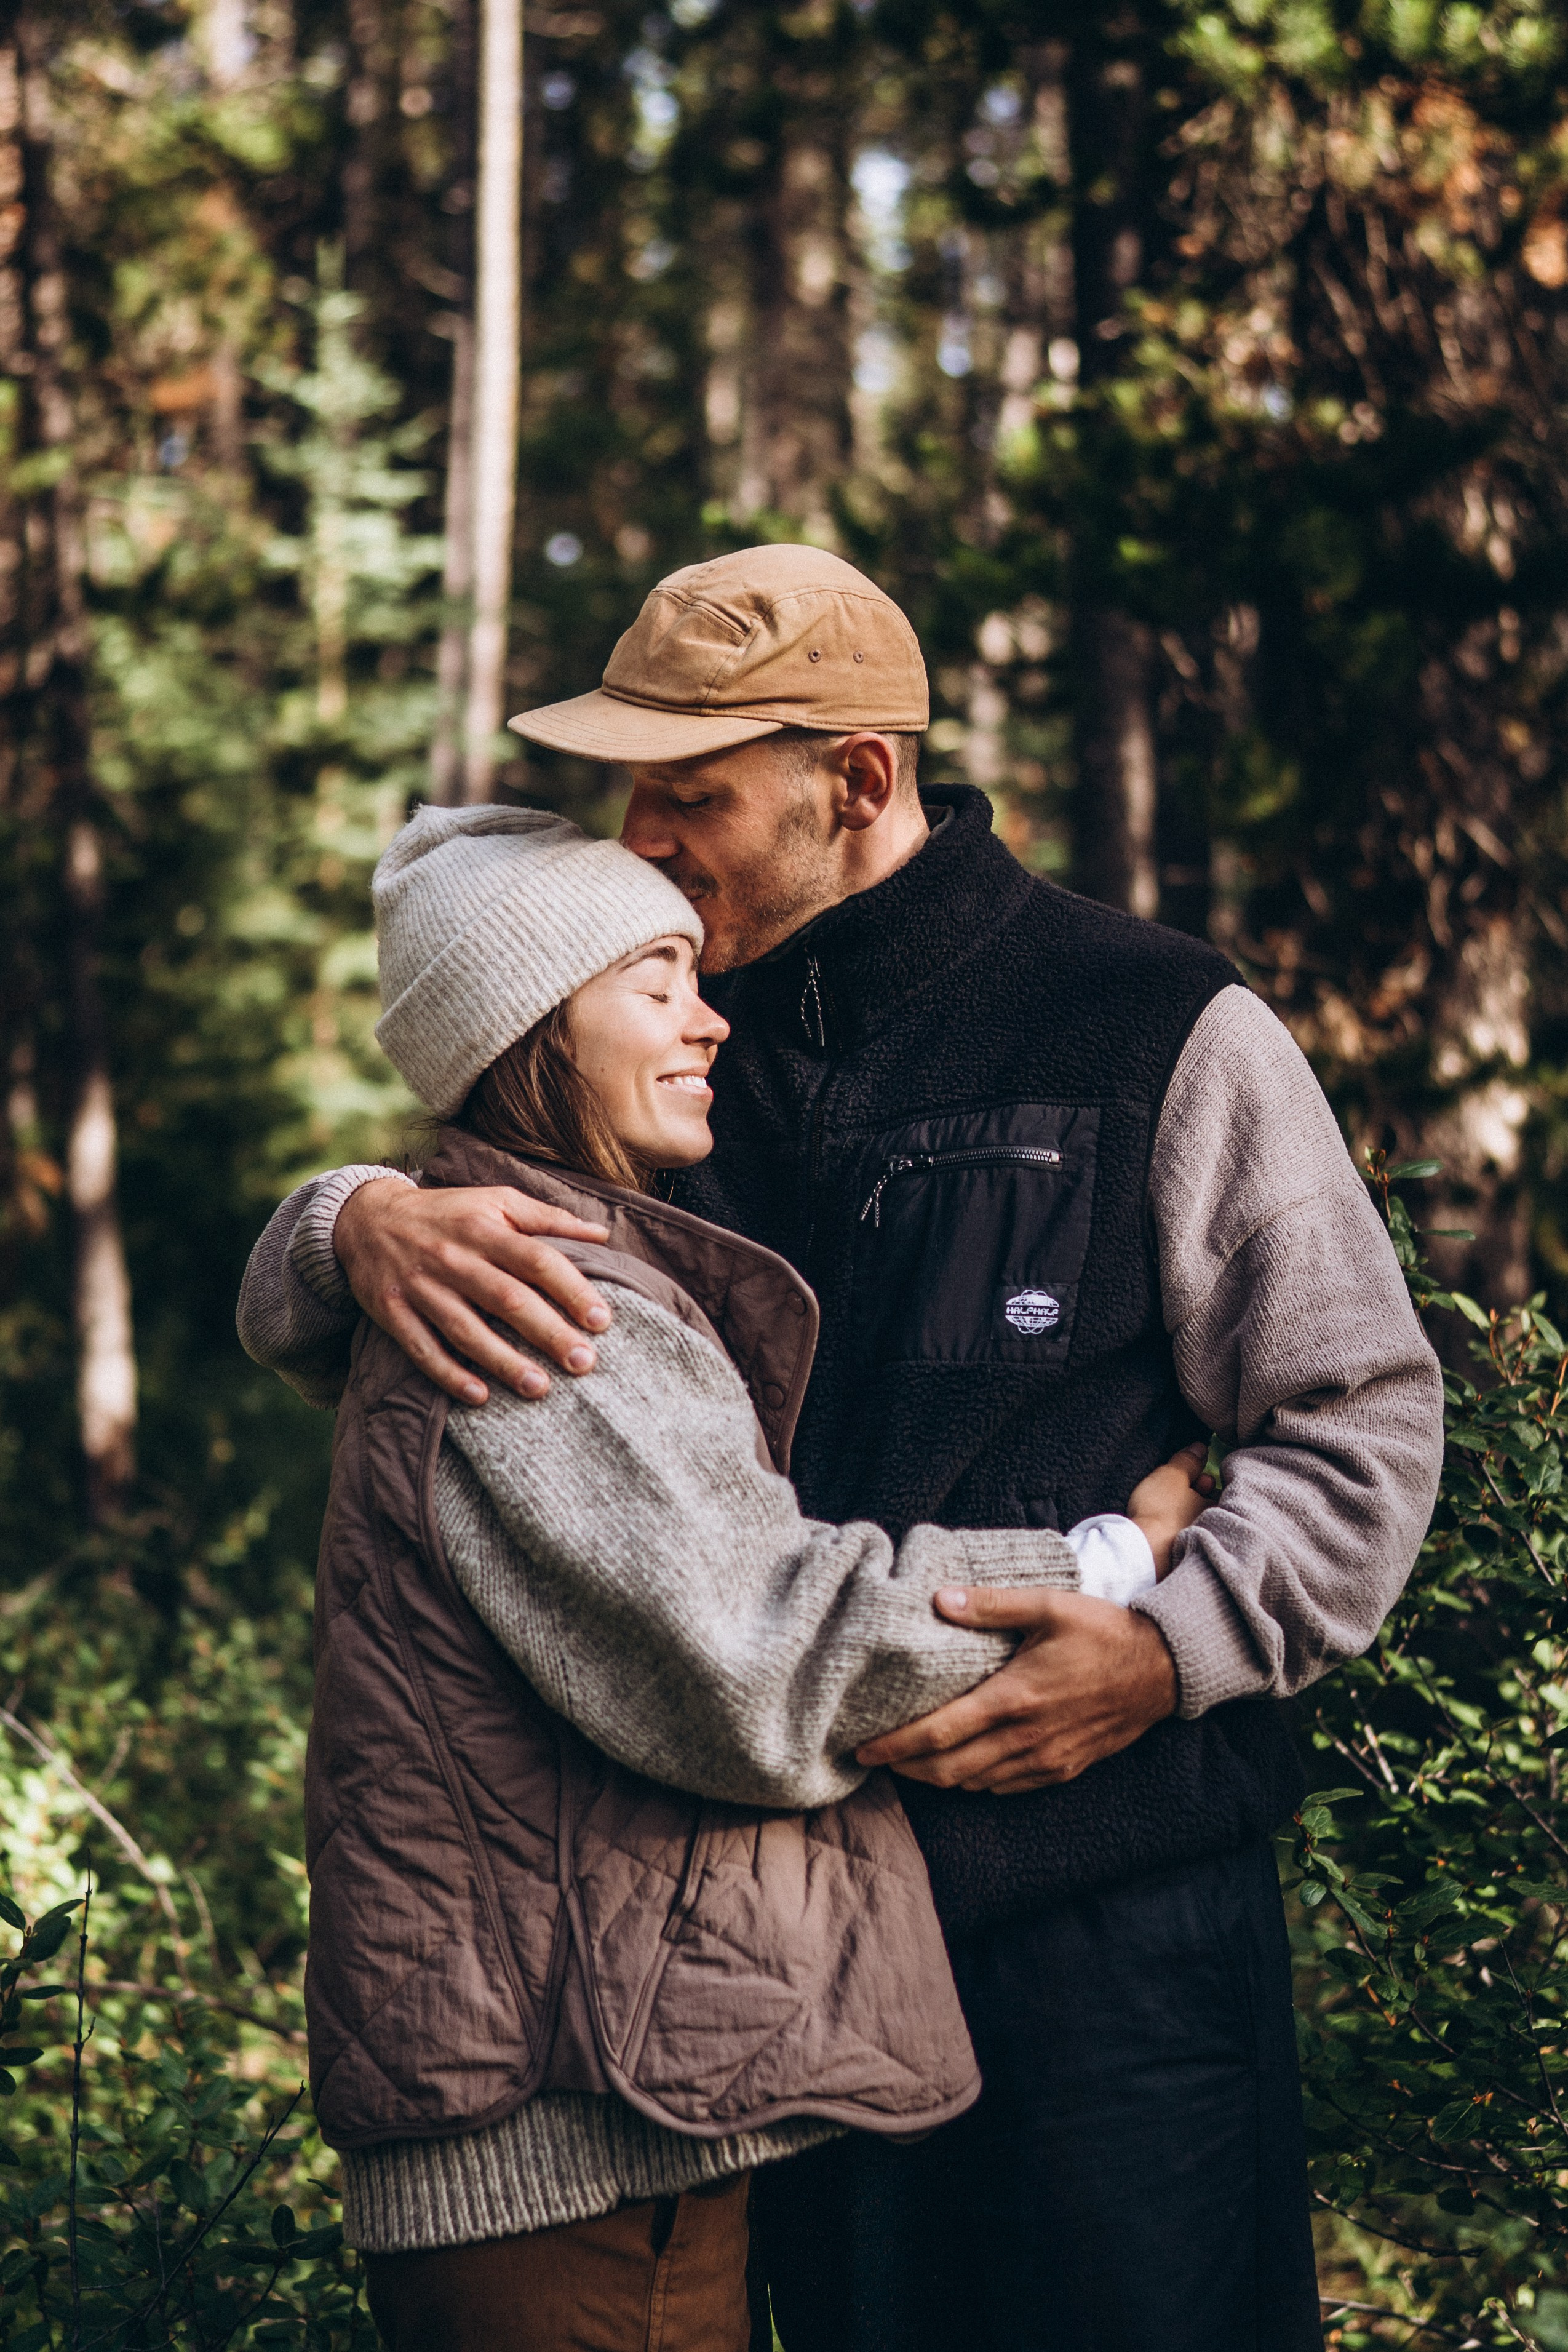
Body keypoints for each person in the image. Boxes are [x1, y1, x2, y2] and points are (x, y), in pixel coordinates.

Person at [241, 545, 1446, 2352]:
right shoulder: (662, 1068)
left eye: (690, 793)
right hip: (776, 1977)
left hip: (1106, 1947)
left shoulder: (1151, 1025)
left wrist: (1173, 1651)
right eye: (631, 792)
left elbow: (1358, 1417)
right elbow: (482, 1260)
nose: (644, 837)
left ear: (854, 782)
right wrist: (347, 1225)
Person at [270, 801, 1214, 2352]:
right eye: (656, 982)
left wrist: (342, 1215)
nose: (711, 1017)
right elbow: (764, 1650)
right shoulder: (544, 1308)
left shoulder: (537, 1253)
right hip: (565, 2143)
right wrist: (1115, 1554)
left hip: (587, 2111)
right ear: (530, 1031)